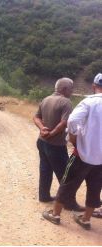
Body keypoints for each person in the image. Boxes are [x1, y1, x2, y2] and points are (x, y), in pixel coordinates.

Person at [42, 73, 102, 230]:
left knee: (68, 183)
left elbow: (72, 121)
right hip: (100, 158)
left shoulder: (89, 102)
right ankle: (86, 219)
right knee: (95, 187)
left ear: (94, 86)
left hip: (82, 154)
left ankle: (55, 215)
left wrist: (75, 140)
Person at [33, 77, 84, 211]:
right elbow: (64, 122)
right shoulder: (66, 102)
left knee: (45, 170)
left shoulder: (46, 99)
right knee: (66, 175)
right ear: (65, 89)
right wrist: (52, 133)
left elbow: (36, 117)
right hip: (56, 145)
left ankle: (44, 196)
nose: (72, 92)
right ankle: (69, 203)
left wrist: (42, 129)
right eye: (71, 89)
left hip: (42, 142)